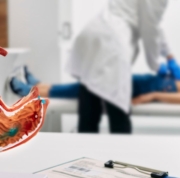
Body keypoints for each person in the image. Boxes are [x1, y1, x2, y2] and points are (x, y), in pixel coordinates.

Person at [65, 0, 177, 133]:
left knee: (88, 108)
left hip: (93, 32)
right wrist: (156, 66)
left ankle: (85, 151)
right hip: (112, 42)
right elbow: (150, 28)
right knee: (118, 116)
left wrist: (169, 56)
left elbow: (153, 25)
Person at [11, 60, 180, 108]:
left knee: (77, 89)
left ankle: (28, 91)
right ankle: (38, 85)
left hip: (127, 89)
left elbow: (169, 96)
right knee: (80, 85)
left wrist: (150, 96)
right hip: (128, 81)